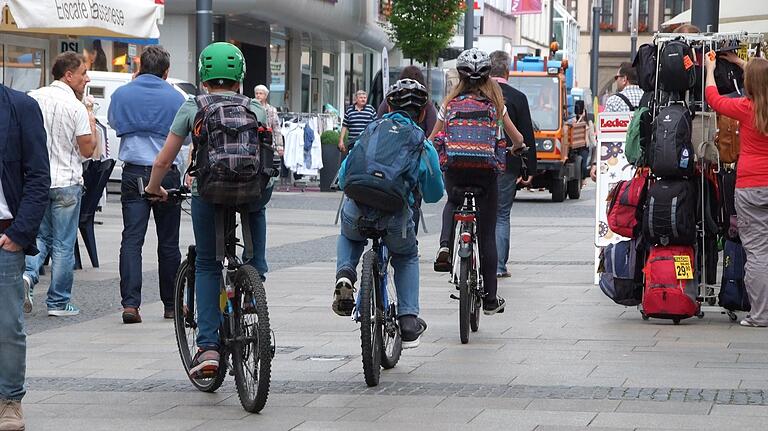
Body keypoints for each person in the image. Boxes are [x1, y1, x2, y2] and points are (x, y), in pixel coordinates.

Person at [145, 42, 271, 377]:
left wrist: (154, 187)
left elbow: (164, 159)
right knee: (255, 221)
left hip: (208, 191)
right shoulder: (255, 108)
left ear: (203, 75)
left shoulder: (192, 106)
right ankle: (253, 284)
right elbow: (269, 157)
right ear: (240, 77)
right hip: (249, 193)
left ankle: (209, 348)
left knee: (207, 265)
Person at [334, 79, 444, 347]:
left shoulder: (371, 129)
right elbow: (433, 194)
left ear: (388, 106)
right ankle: (408, 319)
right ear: (421, 113)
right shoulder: (422, 143)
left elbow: (342, 175)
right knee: (405, 256)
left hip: (358, 208)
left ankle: (345, 274)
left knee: (350, 235)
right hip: (395, 216)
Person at [429, 48, 525, 315]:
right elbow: (516, 138)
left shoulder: (449, 104)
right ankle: (491, 299)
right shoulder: (495, 105)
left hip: (456, 171)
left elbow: (433, 138)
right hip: (485, 174)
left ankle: (445, 246)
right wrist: (520, 147)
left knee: (453, 201)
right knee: (487, 235)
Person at [108, 46, 186, 324]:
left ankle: (130, 304)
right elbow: (186, 139)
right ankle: (171, 305)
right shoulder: (176, 98)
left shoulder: (121, 94)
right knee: (168, 242)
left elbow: (114, 123)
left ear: (139, 67)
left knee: (132, 239)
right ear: (166, 71)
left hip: (133, 173)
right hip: (166, 173)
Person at [23, 52, 97, 317]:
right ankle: (57, 302)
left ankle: (28, 277)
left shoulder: (32, 97)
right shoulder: (75, 106)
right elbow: (88, 149)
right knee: (64, 244)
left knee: (39, 236)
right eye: (83, 73)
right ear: (68, 75)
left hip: (37, 180)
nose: (86, 78)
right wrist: (90, 112)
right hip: (66, 181)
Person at [0, 84, 51, 431]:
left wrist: (18, 235)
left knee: (7, 325)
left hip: (4, 234)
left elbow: (38, 176)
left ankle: (10, 400)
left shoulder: (19, 107)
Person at [704, 51, 768, 327]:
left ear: (750, 84)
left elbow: (713, 99)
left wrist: (710, 68)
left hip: (751, 186)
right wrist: (745, 64)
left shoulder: (745, 107)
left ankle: (761, 315)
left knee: (756, 252)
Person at [488, 50, 536, 278]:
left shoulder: (480, 94)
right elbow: (526, 135)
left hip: (478, 161)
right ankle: (498, 266)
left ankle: (478, 261)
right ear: (507, 71)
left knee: (480, 212)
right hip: (508, 162)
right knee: (502, 214)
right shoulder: (517, 97)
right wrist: (529, 169)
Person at [375, 66, 438, 235]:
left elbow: (376, 125)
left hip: (387, 157)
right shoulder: (427, 105)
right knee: (414, 200)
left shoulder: (388, 102)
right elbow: (433, 131)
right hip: (412, 160)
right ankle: (410, 240)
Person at [590, 62, 642, 181]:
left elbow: (604, 136)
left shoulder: (614, 101)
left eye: (616, 77)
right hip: (641, 158)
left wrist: (596, 164)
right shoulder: (649, 98)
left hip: (617, 158)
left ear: (624, 79)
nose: (616, 80)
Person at [254, 84, 284, 157]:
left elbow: (276, 128)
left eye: (260, 93)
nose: (258, 95)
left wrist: (279, 145)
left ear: (266, 95)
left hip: (267, 141)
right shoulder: (251, 108)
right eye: (256, 93)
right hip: (254, 141)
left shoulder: (271, 109)